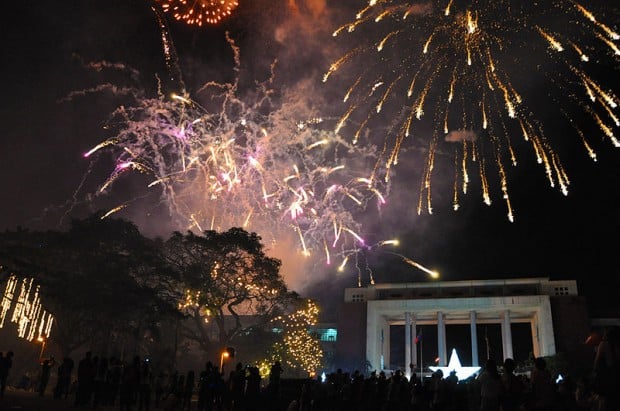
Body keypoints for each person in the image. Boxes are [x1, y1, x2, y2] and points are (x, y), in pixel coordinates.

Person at [591, 326, 620, 411]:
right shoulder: (617, 346)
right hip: (616, 379)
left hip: (606, 379)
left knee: (603, 403)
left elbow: (596, 364)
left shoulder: (603, 345)